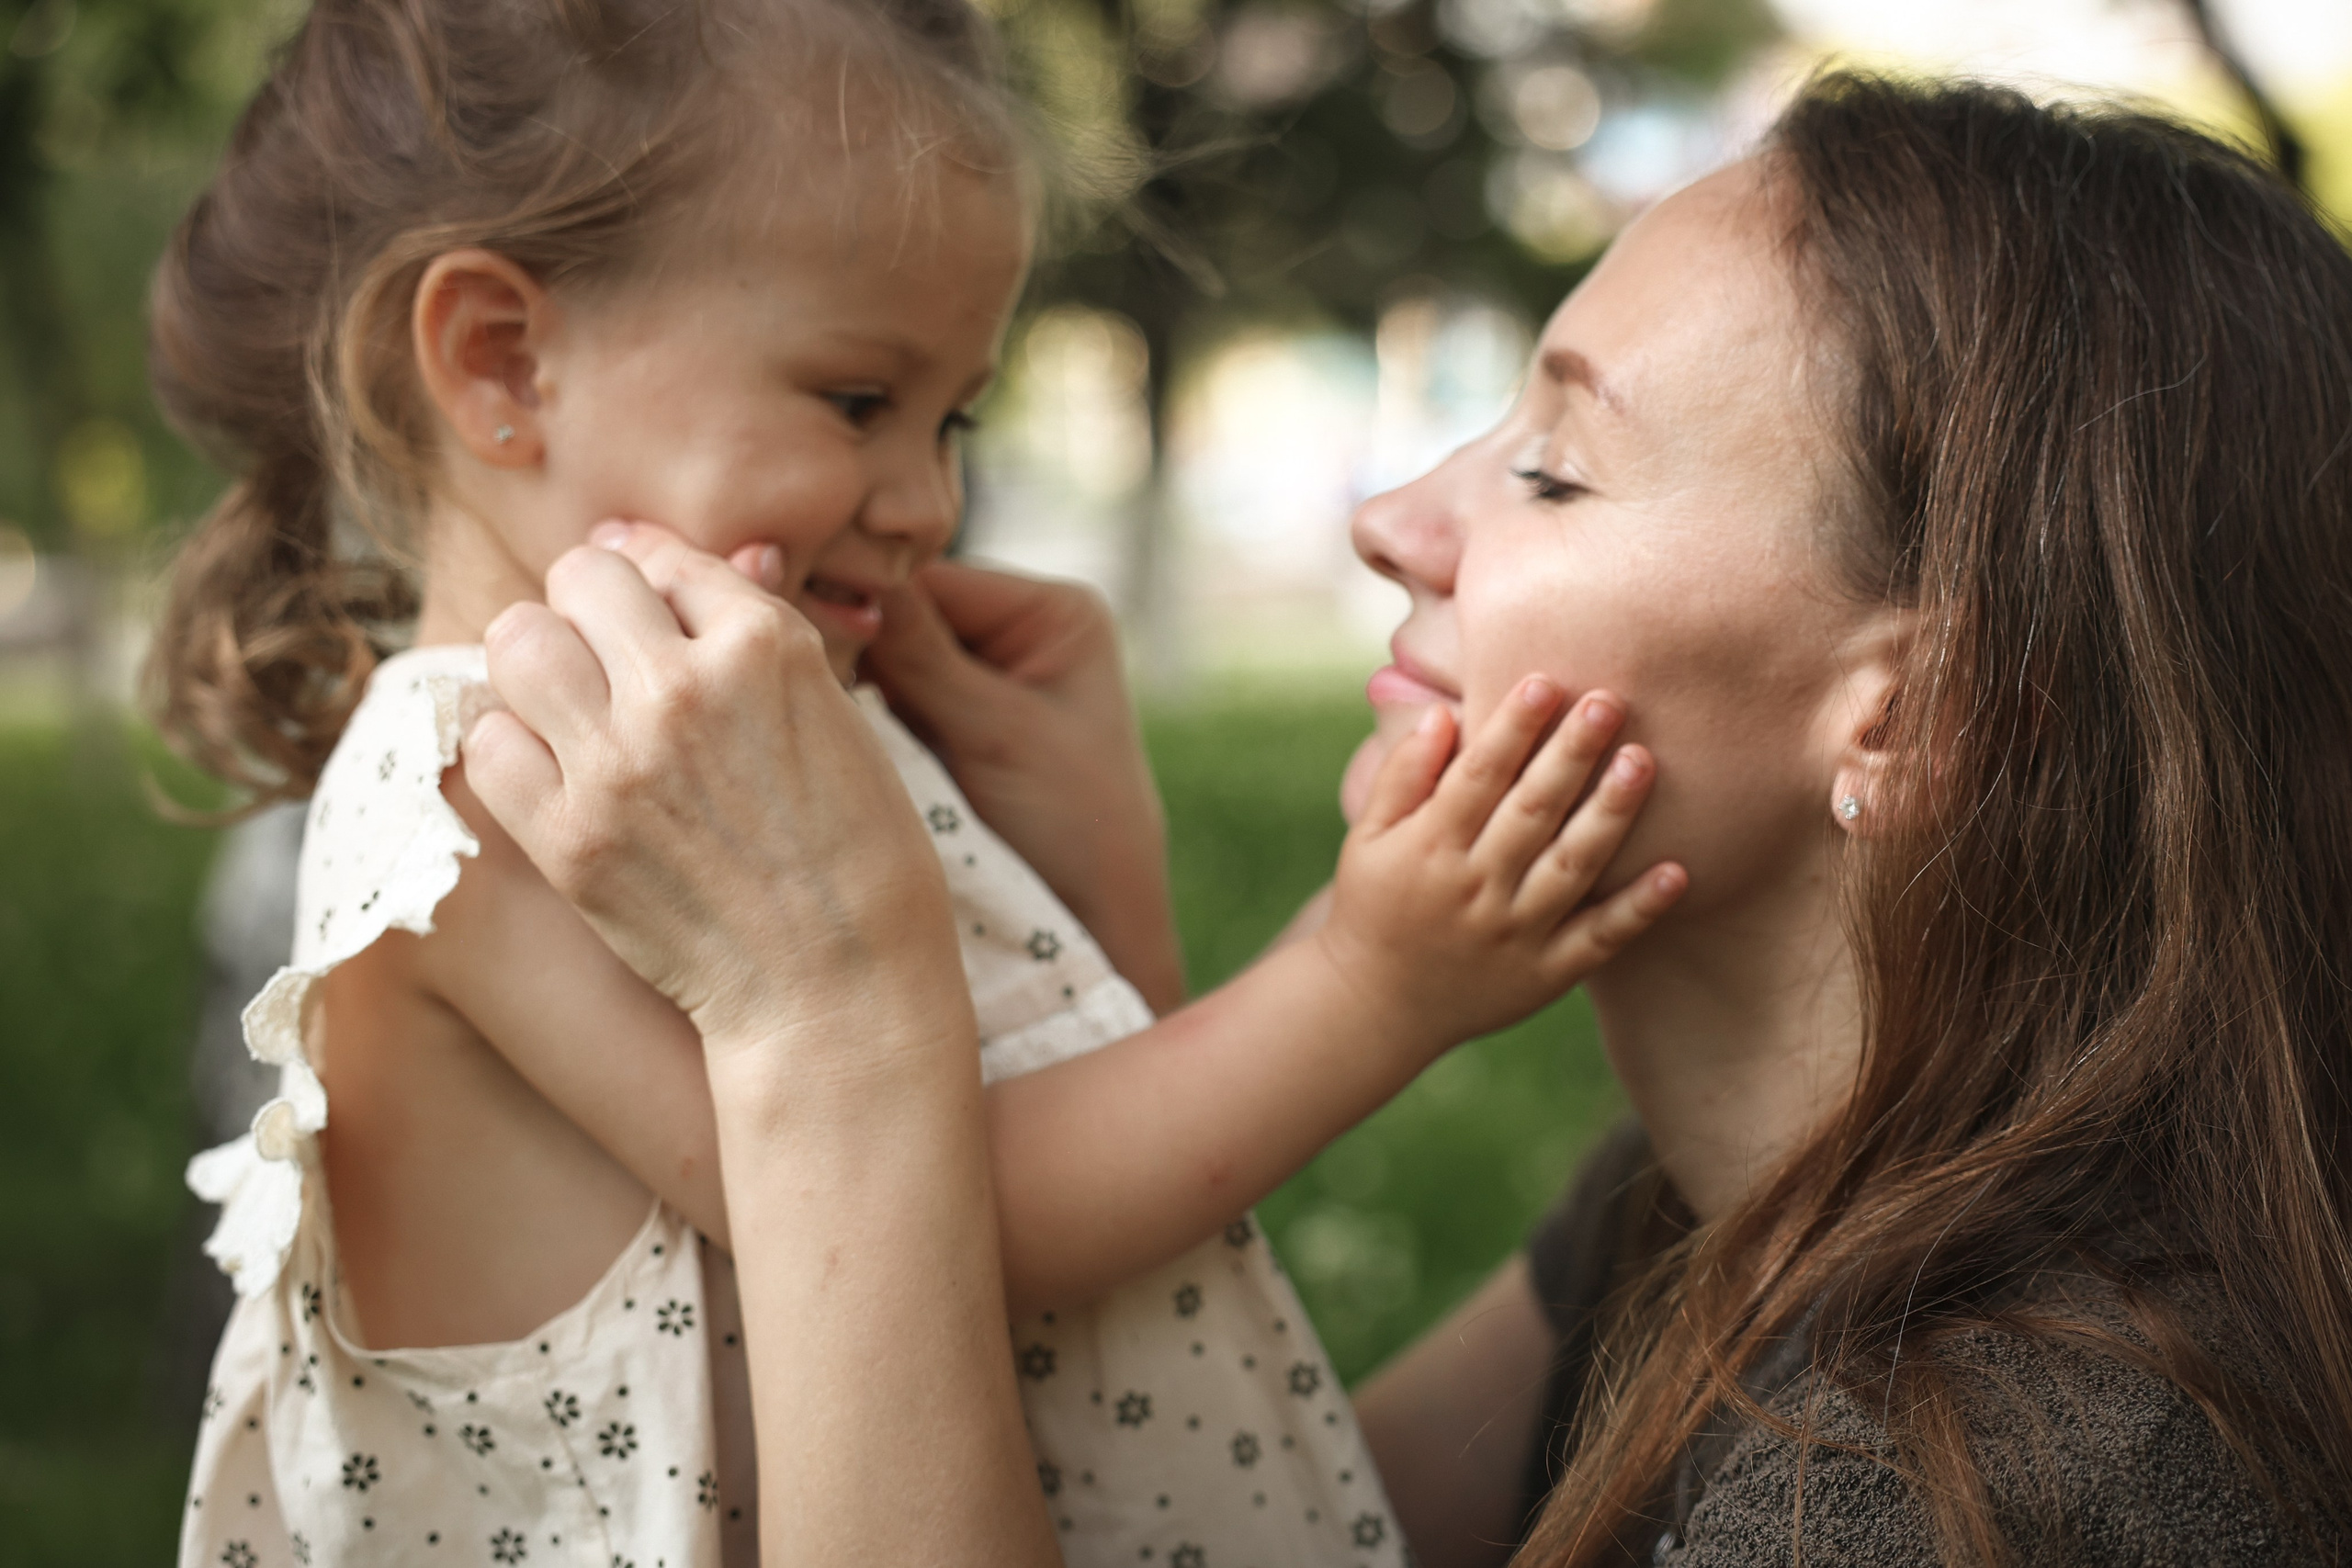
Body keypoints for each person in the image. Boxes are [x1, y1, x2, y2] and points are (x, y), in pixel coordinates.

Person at [464, 73, 2352, 1565]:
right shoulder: (1706, 1213)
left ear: (1922, 707)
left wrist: (831, 1034)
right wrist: (1107, 896)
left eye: (1549, 468)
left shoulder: (1991, 1487)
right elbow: (1232, 1524)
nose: (1391, 520)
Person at [146, 3, 1688, 1564]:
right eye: (859, 402)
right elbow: (952, 1228)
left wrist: (1101, 878)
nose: (930, 502)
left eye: (954, 418)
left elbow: (1040, 1210)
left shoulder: (724, 745)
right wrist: (1371, 982)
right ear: (502, 363)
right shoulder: (483, 790)